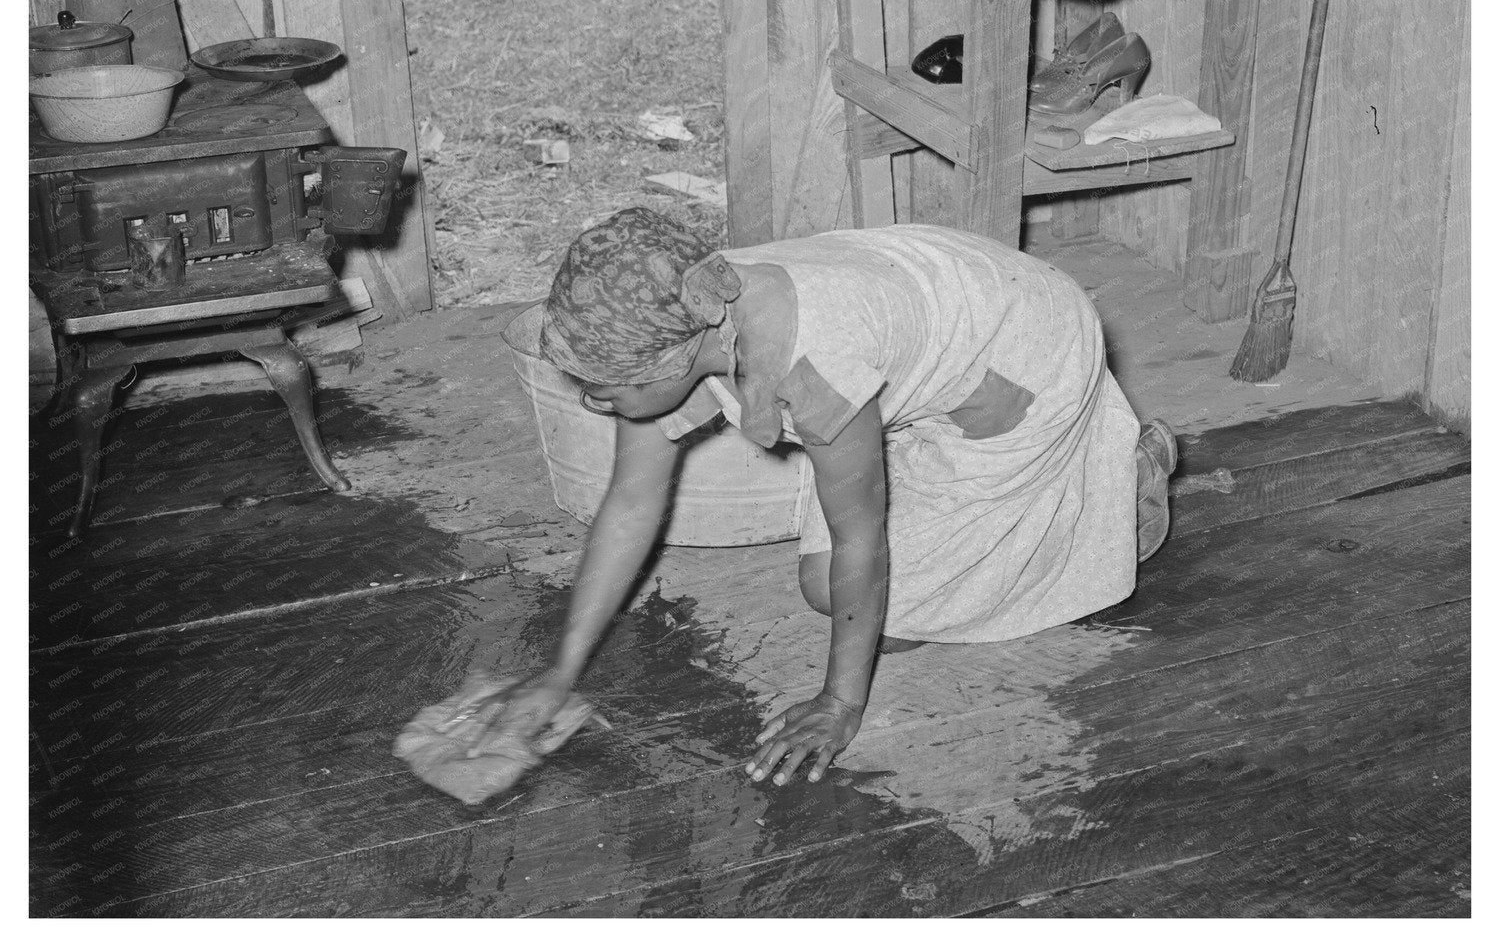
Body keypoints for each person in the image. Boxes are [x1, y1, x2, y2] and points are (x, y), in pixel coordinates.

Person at [459, 207, 1175, 789]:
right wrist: (558, 672)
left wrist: (841, 702)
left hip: (1025, 355)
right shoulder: (689, 305)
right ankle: (1052, 482)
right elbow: (629, 503)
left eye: (603, 389)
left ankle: (1116, 484)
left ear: (671, 361)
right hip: (944, 294)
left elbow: (864, 538)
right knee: (826, 578)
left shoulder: (812, 367)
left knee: (882, 609)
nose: (593, 400)